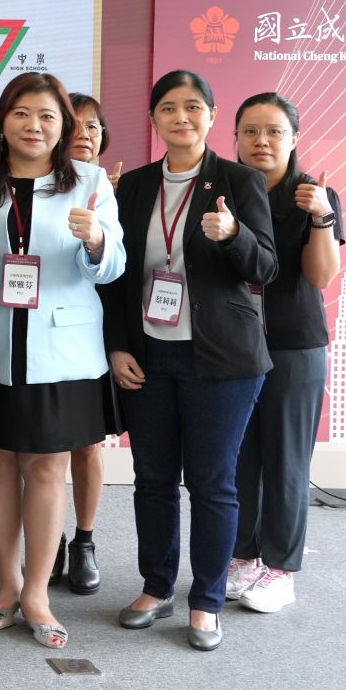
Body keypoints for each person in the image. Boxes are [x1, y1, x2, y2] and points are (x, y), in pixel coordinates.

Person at [105, 70, 276, 652]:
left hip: (221, 360)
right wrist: (118, 345)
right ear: (153, 119)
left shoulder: (240, 180)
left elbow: (265, 269)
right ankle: (156, 586)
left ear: (211, 115)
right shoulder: (133, 186)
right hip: (149, 354)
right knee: (153, 479)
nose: (182, 118)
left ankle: (206, 598)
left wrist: (232, 235)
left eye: (194, 107)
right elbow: (118, 277)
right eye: (169, 108)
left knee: (211, 482)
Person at [0, 74, 124, 650]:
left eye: (48, 116)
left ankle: (38, 595)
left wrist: (96, 237)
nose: (35, 126)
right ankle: (5, 583)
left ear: (65, 126)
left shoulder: (91, 182)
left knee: (49, 467)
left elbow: (113, 267)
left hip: (63, 350)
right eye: (22, 114)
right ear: (2, 121)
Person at [227, 92, 342, 616]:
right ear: (235, 137)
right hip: (232, 343)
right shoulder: (222, 190)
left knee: (288, 461)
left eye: (274, 131)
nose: (262, 141)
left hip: (294, 346)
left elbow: (321, 277)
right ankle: (244, 554)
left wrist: (322, 218)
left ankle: (281, 567)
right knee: (238, 457)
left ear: (294, 138)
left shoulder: (312, 195)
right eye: (250, 131)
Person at [57, 90, 122, 593]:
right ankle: (49, 541)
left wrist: (98, 234)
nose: (84, 134)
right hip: (44, 338)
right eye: (75, 125)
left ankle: (84, 540)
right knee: (43, 454)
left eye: (94, 127)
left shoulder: (108, 188)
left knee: (88, 445)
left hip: (96, 336)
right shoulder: (42, 186)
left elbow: (120, 273)